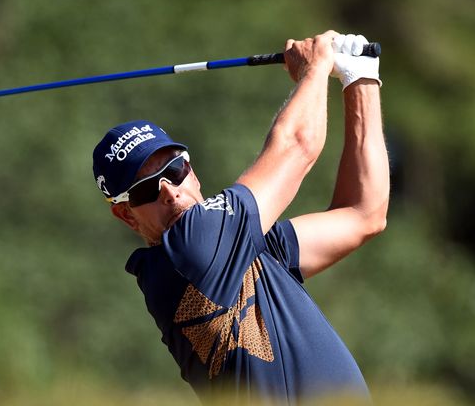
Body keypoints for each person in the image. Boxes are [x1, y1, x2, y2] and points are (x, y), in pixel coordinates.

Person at [91, 30, 389, 404]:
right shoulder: (189, 252)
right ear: (126, 215)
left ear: (192, 170)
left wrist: (360, 78)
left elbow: (365, 214)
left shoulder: (241, 251)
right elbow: (297, 145)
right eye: (146, 190)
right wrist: (316, 67)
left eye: (175, 169)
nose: (170, 191)